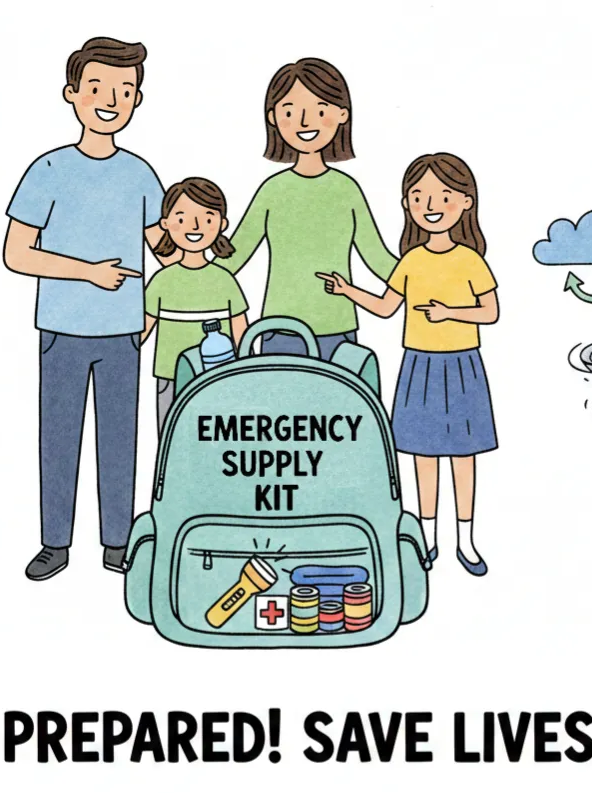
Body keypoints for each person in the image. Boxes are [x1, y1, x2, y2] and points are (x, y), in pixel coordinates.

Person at [3, 37, 176, 581]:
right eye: (99, 88)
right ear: (73, 94)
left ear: (137, 101)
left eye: (125, 91)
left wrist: (204, 232)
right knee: (58, 438)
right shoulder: (48, 170)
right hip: (61, 329)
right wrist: (88, 271)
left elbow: (164, 246)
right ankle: (55, 542)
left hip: (126, 331)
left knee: (120, 438)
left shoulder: (142, 174)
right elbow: (15, 253)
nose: (111, 99)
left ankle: (117, 543)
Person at [317, 153, 499, 576]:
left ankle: (466, 540)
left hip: (461, 366)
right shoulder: (412, 260)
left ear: (466, 202)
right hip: (418, 366)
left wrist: (451, 312)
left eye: (442, 196)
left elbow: (490, 311)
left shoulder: (470, 260)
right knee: (421, 455)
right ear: (407, 206)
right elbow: (385, 307)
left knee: (463, 456)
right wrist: (347, 290)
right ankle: (428, 536)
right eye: (418, 197)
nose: (430, 205)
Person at [211, 58, 396, 360]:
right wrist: (189, 276)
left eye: (320, 111)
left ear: (342, 115)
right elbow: (235, 256)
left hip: (337, 328)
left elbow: (378, 259)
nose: (305, 122)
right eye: (290, 112)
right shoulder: (272, 190)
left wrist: (428, 276)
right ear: (273, 117)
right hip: (280, 330)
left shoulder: (346, 190)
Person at [142, 178, 249, 433]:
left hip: (218, 376)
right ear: (165, 224)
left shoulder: (224, 280)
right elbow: (142, 331)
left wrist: (246, 374)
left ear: (222, 225)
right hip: (170, 376)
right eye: (182, 218)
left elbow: (241, 331)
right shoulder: (162, 281)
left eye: (208, 218)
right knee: (172, 437)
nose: (195, 226)